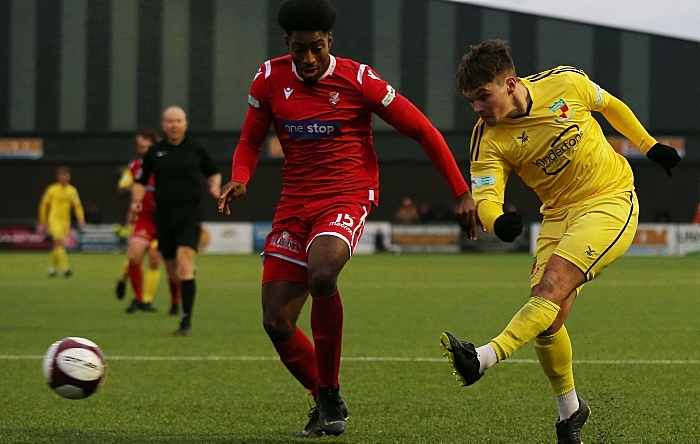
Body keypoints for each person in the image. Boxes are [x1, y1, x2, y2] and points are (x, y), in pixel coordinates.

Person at [218, 0, 477, 437]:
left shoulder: (360, 79)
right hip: (294, 204)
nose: (309, 58)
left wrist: (461, 190)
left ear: (330, 42)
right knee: (276, 322)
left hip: (346, 195)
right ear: (288, 44)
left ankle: (330, 389)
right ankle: (323, 398)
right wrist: (239, 177)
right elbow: (249, 140)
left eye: (317, 47)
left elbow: (422, 130)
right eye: (300, 49)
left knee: (322, 275)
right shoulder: (268, 78)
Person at [439, 39, 681, 444]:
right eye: (471, 101)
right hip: (557, 215)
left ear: (511, 83)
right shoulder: (488, 138)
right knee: (548, 317)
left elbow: (611, 106)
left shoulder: (566, 82)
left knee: (550, 286)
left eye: (482, 97)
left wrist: (649, 146)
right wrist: (497, 221)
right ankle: (570, 410)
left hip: (610, 200)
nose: (477, 109)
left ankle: (482, 358)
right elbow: (484, 194)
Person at [131, 106, 221, 336]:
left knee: (184, 264)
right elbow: (140, 181)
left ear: (185, 124)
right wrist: (136, 201)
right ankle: (179, 295)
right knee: (172, 270)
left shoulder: (196, 149)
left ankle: (186, 322)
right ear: (163, 125)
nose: (174, 125)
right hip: (164, 217)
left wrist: (214, 185)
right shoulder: (155, 152)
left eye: (178, 121)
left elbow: (213, 172)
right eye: (169, 121)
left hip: (190, 215)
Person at [117, 128, 182, 316]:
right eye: (140, 145)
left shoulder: (167, 163)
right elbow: (122, 187)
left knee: (162, 262)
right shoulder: (135, 166)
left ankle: (174, 301)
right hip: (144, 220)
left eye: (146, 144)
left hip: (164, 220)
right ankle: (139, 298)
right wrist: (135, 199)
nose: (142, 148)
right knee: (133, 256)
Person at [38, 166, 86, 277]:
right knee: (60, 242)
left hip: (66, 221)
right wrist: (43, 220)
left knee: (58, 245)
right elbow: (44, 205)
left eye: (66, 175)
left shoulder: (72, 190)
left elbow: (77, 206)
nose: (64, 178)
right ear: (58, 177)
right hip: (54, 219)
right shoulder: (51, 189)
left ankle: (51, 268)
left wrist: (81, 218)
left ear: (69, 177)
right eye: (61, 175)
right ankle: (66, 269)